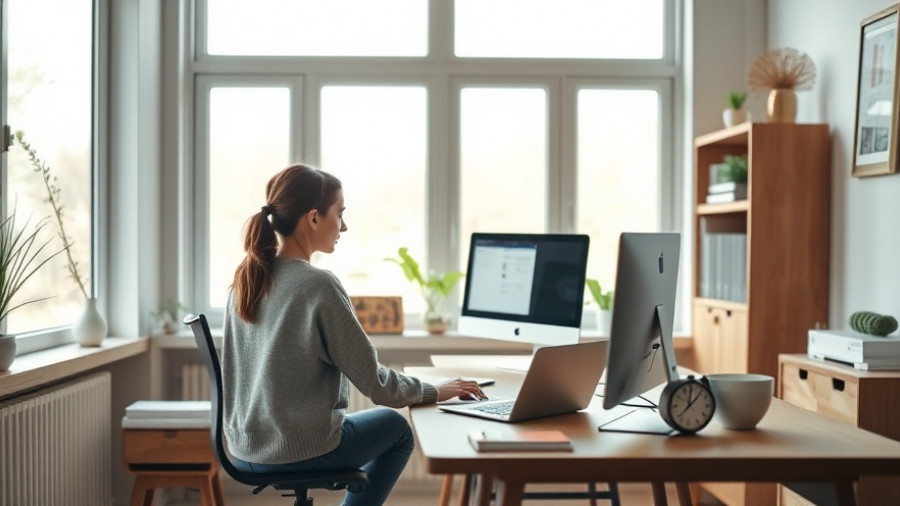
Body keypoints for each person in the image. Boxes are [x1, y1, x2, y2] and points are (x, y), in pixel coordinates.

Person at [223, 164, 485, 506]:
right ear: (314, 218)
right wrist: (435, 391)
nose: (343, 226)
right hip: (299, 449)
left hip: (242, 450)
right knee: (397, 429)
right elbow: (376, 386)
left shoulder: (246, 280)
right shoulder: (318, 285)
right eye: (340, 214)